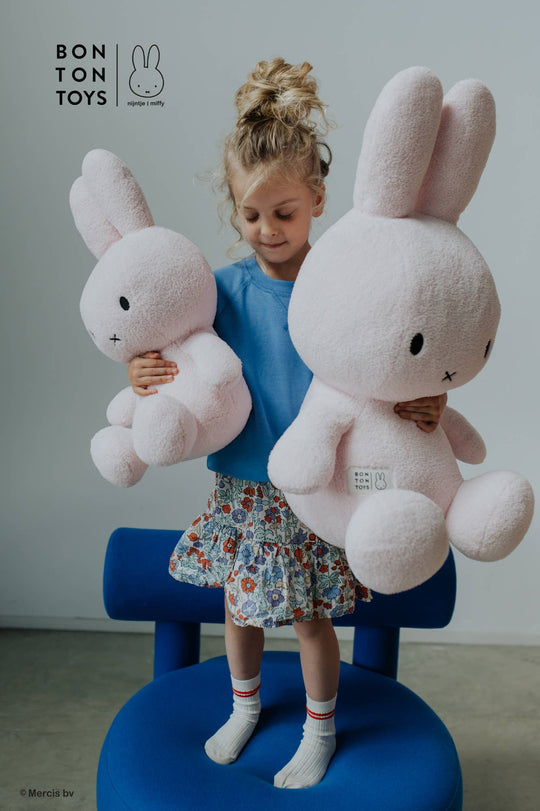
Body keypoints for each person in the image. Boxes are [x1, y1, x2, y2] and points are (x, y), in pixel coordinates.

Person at [127, 58, 447, 789]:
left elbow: (399, 353)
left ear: (318, 200)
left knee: (309, 622)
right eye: (250, 213)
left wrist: (430, 400)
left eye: (284, 212)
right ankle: (243, 708)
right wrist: (138, 373)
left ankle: (320, 728)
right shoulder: (217, 289)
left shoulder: (344, 282)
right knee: (239, 610)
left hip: (316, 485)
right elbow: (166, 344)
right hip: (243, 483)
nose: (267, 230)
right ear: (233, 208)